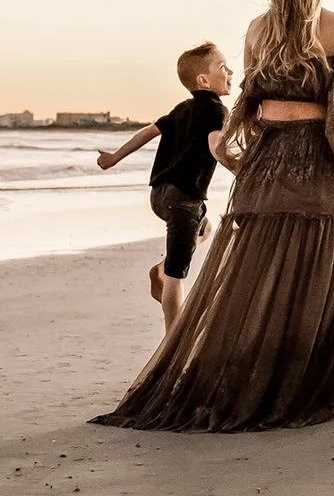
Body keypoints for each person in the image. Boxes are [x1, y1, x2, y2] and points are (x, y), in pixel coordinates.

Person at [92, 0, 334, 432]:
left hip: (267, 160)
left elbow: (247, 100)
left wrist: (233, 151)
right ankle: (303, 373)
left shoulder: (258, 28)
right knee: (323, 253)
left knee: (260, 266)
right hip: (315, 157)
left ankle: (256, 370)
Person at [95, 42, 233, 332]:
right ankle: (173, 337)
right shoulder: (216, 111)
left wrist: (113, 158)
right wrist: (240, 169)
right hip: (183, 199)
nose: (230, 71)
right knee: (177, 274)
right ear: (204, 81)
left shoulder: (182, 109)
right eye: (223, 67)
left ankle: (160, 269)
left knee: (204, 228)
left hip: (159, 196)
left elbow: (148, 132)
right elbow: (215, 145)